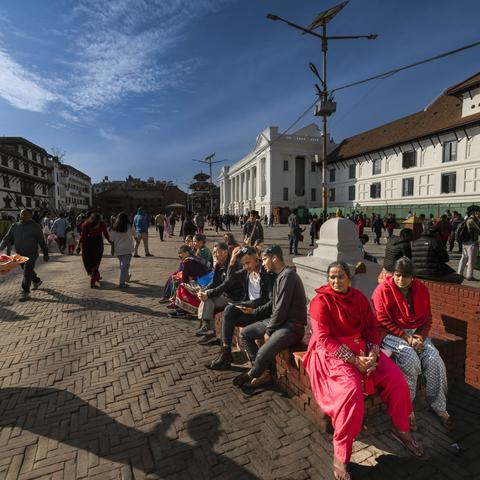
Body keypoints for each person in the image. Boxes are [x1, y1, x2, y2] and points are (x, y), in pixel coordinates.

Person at [304, 261, 423, 480]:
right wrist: (354, 360)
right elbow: (323, 338)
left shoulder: (358, 298)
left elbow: (371, 328)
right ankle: (341, 454)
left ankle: (402, 429)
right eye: (332, 277)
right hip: (333, 352)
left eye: (341, 277)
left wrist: (373, 353)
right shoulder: (321, 302)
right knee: (350, 393)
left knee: (396, 379)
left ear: (350, 278)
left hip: (364, 349)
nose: (336, 281)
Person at [372, 257, 452, 432]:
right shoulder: (382, 291)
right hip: (390, 332)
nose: (401, 280)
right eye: (397, 275)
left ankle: (438, 405)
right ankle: (407, 411)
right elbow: (383, 320)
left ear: (413, 276)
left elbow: (427, 317)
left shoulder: (421, 290)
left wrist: (420, 337)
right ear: (392, 274)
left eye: (405, 276)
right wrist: (406, 338)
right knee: (409, 359)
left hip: (416, 333)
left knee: (434, 359)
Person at [233, 245, 307, 389]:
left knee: (263, 352)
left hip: (291, 327)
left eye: (265, 259)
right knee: (245, 334)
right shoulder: (277, 276)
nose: (263, 262)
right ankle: (262, 373)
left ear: (274, 258)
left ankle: (251, 374)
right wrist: (255, 313)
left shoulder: (288, 276)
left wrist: (269, 330)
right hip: (278, 322)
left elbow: (281, 308)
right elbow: (273, 303)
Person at [205, 246, 273, 369]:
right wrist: (232, 261)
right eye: (243, 264)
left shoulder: (266, 273)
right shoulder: (247, 273)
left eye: (248, 262)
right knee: (229, 313)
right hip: (249, 311)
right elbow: (230, 280)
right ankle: (226, 352)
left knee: (229, 311)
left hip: (261, 312)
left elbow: (267, 300)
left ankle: (226, 355)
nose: (246, 266)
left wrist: (248, 305)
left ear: (256, 258)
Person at [195, 242, 244, 339]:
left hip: (232, 296)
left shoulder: (233, 265)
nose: (214, 255)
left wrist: (208, 293)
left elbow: (226, 284)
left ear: (225, 252)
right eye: (213, 252)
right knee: (206, 298)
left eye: (216, 252)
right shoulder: (218, 265)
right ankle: (207, 326)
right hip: (223, 294)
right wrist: (203, 290)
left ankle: (207, 327)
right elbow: (214, 282)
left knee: (207, 298)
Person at [0, 208, 49, 301]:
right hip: (19, 254)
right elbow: (7, 238)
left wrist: (46, 253)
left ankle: (25, 292)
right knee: (26, 269)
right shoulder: (15, 226)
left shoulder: (35, 227)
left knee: (27, 272)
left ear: (30, 216)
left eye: (25, 214)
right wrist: (1, 247)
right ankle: (36, 281)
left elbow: (41, 241)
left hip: (32, 253)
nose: (22, 216)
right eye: (21, 214)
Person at [168, 245, 211, 318]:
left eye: (180, 253)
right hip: (209, 279)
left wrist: (178, 278)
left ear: (186, 253)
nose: (179, 255)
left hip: (203, 283)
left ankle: (182, 310)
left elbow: (185, 279)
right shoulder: (196, 258)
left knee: (181, 286)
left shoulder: (187, 261)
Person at [77, 213, 112, 288]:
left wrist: (78, 246)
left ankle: (96, 276)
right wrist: (110, 242)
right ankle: (93, 280)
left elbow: (83, 236)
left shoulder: (86, 224)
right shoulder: (102, 224)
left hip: (88, 244)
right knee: (96, 262)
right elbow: (106, 234)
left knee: (91, 262)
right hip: (98, 243)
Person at [110, 212, 135, 288]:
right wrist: (136, 240)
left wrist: (112, 250)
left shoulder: (114, 227)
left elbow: (112, 240)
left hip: (118, 250)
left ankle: (126, 277)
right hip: (127, 249)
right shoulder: (129, 226)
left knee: (123, 265)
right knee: (124, 266)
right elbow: (135, 234)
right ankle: (122, 283)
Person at [457, 205, 480, 281]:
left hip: (465, 242)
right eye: (477, 211)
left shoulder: (466, 219)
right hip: (471, 242)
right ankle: (469, 276)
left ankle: (459, 274)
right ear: (474, 212)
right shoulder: (472, 220)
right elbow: (478, 229)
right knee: (471, 260)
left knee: (463, 258)